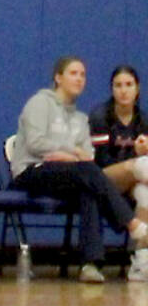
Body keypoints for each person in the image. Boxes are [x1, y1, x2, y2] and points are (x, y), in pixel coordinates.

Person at [10, 56, 148, 284]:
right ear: (58, 77)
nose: (79, 79)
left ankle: (90, 264)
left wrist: (69, 155)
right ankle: (132, 224)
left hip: (68, 173)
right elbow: (36, 143)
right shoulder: (39, 103)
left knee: (89, 188)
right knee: (87, 173)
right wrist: (68, 151)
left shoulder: (80, 119)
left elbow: (88, 155)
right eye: (73, 73)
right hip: (32, 170)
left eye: (83, 74)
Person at [89, 64, 148, 281]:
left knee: (144, 192)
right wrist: (135, 152)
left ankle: (141, 261)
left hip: (135, 181)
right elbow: (100, 160)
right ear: (112, 90)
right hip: (102, 178)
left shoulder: (143, 120)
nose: (123, 90)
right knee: (143, 166)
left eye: (128, 85)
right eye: (118, 86)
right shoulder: (100, 117)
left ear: (137, 89)